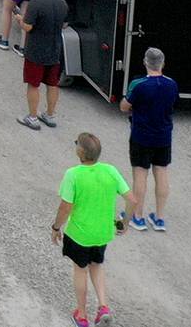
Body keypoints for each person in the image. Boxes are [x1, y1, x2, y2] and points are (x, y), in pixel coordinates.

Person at [52, 132, 135, 327]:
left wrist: (56, 227)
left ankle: (81, 315)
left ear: (80, 151)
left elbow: (65, 207)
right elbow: (132, 199)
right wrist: (123, 222)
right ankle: (103, 307)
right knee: (96, 266)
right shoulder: (110, 170)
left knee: (80, 270)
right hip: (103, 233)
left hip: (79, 234)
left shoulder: (73, 174)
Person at [120, 47, 176, 232]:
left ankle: (138, 216)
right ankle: (160, 218)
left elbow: (124, 106)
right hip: (163, 136)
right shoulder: (172, 84)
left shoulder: (139, 84)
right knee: (161, 173)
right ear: (163, 63)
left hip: (141, 136)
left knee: (140, 174)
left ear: (145, 62)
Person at [18, 0, 68, 131]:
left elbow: (28, 27)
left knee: (33, 84)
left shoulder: (35, 4)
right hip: (54, 51)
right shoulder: (62, 3)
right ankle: (50, 115)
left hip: (36, 52)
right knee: (52, 84)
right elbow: (64, 24)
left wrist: (19, 19)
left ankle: (32, 117)